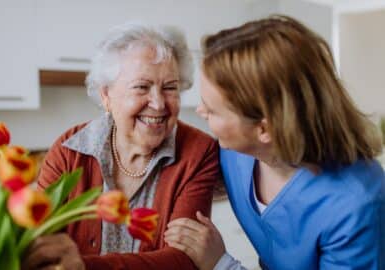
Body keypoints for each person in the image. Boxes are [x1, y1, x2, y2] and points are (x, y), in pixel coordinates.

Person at [164, 15, 385, 270]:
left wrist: (221, 264)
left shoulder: (355, 204)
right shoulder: (237, 154)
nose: (201, 112)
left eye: (212, 111)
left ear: (263, 128)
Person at [23, 24, 220, 270]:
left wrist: (83, 267)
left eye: (170, 87)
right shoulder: (69, 151)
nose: (158, 104)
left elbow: (185, 260)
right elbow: (38, 243)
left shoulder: (199, 152)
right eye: (142, 87)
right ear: (106, 95)